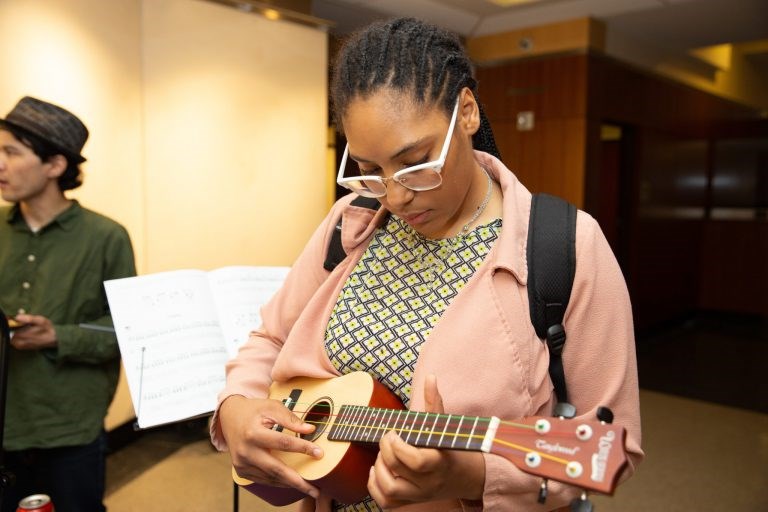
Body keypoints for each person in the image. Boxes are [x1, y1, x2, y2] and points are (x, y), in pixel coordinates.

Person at [211, 17, 643, 512]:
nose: (394, 196)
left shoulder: (566, 247)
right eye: (370, 172)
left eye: (416, 163)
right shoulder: (350, 221)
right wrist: (237, 408)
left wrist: (474, 475)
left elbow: (614, 442)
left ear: (466, 112)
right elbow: (271, 338)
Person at [0, 96, 136, 512]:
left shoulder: (106, 237)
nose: (0, 163)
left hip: (69, 427)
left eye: (11, 152)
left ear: (55, 165)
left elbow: (125, 331)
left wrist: (58, 335)